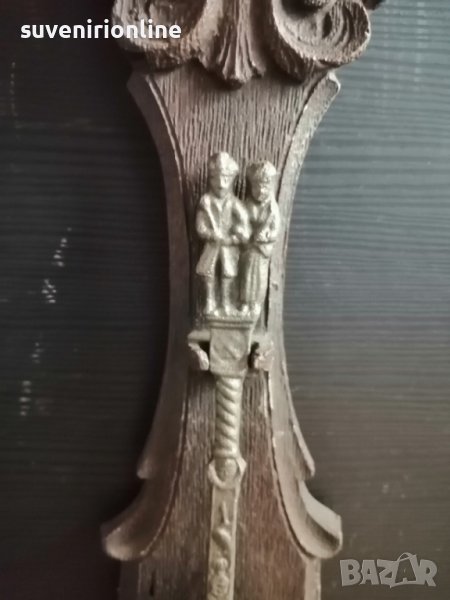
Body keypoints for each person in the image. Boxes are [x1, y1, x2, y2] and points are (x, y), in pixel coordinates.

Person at [196, 152, 249, 315]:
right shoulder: (206, 202)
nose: (221, 184)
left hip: (228, 246)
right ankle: (210, 302)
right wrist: (211, 234)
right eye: (216, 178)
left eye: (225, 178)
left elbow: (245, 229)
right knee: (208, 272)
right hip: (212, 245)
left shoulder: (235, 204)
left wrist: (234, 238)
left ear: (232, 179)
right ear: (210, 179)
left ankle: (226, 303)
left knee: (228, 273)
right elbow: (200, 226)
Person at [240, 161, 280, 317]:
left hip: (262, 251)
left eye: (265, 187)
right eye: (257, 187)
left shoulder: (272, 209)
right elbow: (242, 223)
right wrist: (247, 233)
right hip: (249, 248)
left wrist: (267, 236)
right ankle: (244, 302)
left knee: (259, 277)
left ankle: (256, 304)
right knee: (246, 276)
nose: (261, 191)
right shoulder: (248, 205)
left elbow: (275, 230)